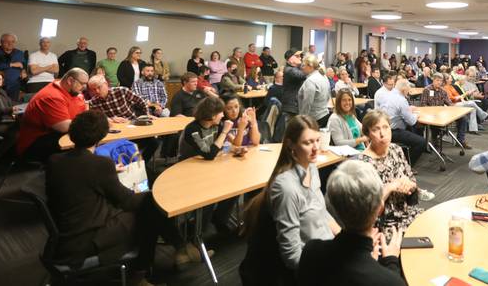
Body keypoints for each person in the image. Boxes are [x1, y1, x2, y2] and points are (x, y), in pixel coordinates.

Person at [46, 110, 199, 286]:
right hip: (88, 236)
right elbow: (127, 201)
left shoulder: (55, 160)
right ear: (102, 136)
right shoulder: (100, 164)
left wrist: (110, 173)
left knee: (149, 208)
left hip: (68, 227)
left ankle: (174, 251)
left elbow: (82, 180)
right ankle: (148, 269)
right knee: (150, 208)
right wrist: (148, 194)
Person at [240, 115, 338, 282]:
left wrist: (346, 240)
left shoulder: (312, 168)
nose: (316, 148)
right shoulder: (286, 188)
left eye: (317, 140)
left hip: (323, 251)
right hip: (307, 267)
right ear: (291, 145)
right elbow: (292, 257)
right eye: (308, 143)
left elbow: (321, 212)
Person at [298, 160, 406, 286]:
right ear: (380, 208)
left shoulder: (311, 251)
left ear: (333, 207)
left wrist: (368, 259)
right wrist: (391, 261)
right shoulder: (390, 281)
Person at [177, 96, 242, 237]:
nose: (223, 115)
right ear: (212, 115)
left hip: (208, 167)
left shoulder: (215, 125)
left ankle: (219, 219)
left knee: (235, 187)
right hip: (189, 172)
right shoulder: (192, 130)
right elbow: (210, 153)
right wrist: (225, 132)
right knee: (210, 195)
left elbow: (219, 147)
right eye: (220, 113)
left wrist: (234, 149)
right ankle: (196, 231)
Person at [359, 110, 422, 236]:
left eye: (386, 127)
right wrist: (390, 187)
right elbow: (367, 210)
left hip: (406, 213)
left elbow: (413, 184)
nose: (383, 134)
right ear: (368, 134)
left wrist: (409, 185)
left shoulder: (396, 149)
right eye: (376, 129)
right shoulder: (363, 163)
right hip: (383, 224)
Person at [17, 68, 88, 162]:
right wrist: (91, 123)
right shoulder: (51, 96)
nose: (85, 87)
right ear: (70, 80)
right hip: (35, 143)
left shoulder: (74, 92)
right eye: (82, 83)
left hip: (56, 134)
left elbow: (85, 113)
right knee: (84, 146)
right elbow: (64, 127)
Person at [379, 79, 427, 165]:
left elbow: (397, 109)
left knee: (414, 129)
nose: (408, 92)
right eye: (408, 90)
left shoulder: (387, 95)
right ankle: (407, 164)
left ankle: (402, 157)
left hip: (382, 128)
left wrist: (408, 109)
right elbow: (411, 121)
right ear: (404, 90)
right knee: (422, 142)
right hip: (393, 131)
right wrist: (417, 115)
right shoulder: (401, 100)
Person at [420, 73, 470, 148]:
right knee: (437, 124)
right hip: (431, 114)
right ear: (433, 80)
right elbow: (423, 105)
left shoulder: (443, 91)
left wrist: (455, 111)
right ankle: (435, 139)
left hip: (442, 113)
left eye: (440, 81)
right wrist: (432, 111)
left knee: (463, 118)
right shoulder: (427, 90)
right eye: (437, 80)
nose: (439, 82)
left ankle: (460, 140)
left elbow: (449, 103)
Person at [0, 33, 24, 100]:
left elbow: (23, 65)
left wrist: (23, 71)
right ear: (1, 42)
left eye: (13, 41)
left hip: (14, 85)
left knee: (12, 105)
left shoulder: (19, 53)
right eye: (7, 42)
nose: (10, 43)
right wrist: (11, 64)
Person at [298, 54, 331, 127]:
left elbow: (307, 103)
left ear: (310, 66)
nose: (302, 68)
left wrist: (303, 120)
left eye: (303, 65)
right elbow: (328, 96)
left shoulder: (310, 81)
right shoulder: (324, 76)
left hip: (314, 119)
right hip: (325, 115)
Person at [282, 48, 307, 121]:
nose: (300, 57)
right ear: (290, 59)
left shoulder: (295, 68)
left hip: (294, 105)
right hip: (291, 107)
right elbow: (303, 75)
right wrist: (312, 65)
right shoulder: (289, 70)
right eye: (297, 56)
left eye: (300, 56)